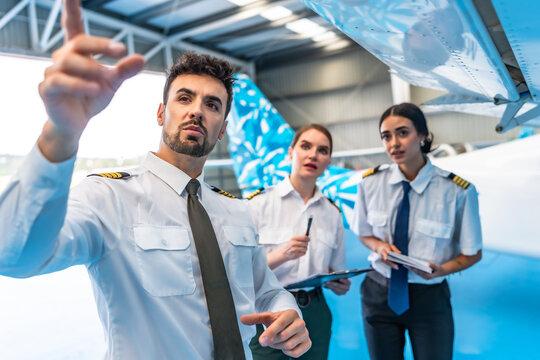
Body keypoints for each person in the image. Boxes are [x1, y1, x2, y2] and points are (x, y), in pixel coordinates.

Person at [0, 1, 311, 359]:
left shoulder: (236, 209)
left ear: (222, 129)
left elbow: (265, 288)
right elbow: (15, 255)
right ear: (162, 113)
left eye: (212, 105)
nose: (197, 109)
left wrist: (288, 309)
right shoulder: (109, 197)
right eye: (184, 98)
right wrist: (61, 134)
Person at [351, 102, 482, 360]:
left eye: (402, 133)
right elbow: (364, 233)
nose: (393, 144)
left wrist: (442, 270)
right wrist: (380, 247)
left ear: (422, 135)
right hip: (378, 292)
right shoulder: (370, 184)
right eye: (386, 136)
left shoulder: (457, 191)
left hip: (429, 297)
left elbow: (472, 253)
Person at [247, 124, 351, 360]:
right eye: (306, 146)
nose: (313, 154)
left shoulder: (332, 214)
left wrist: (339, 282)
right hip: (269, 309)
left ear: (328, 162)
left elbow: (336, 269)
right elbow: (240, 270)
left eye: (322, 151)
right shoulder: (258, 204)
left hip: (315, 311)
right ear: (291, 152)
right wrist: (282, 254)